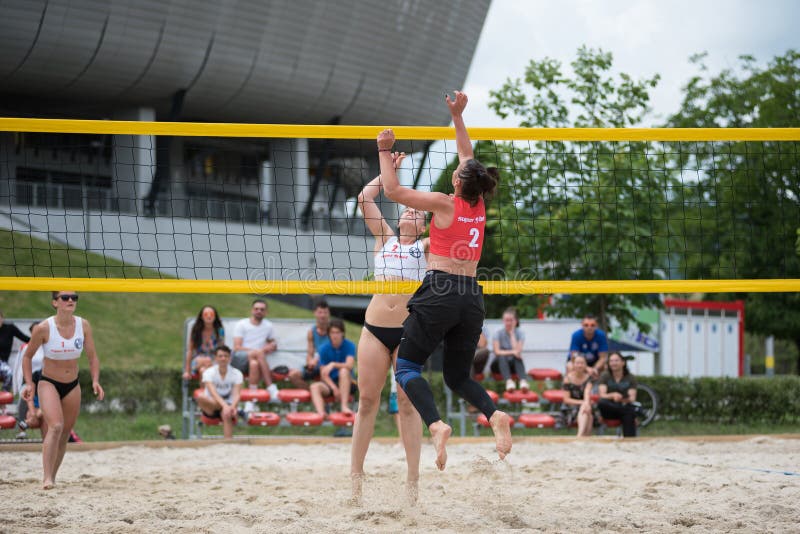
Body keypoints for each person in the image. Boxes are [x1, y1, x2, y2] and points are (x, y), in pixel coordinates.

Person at [378, 90, 511, 470]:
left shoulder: (444, 201)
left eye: (456, 170)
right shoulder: (477, 201)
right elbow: (468, 157)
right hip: (471, 297)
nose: (456, 167)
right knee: (456, 376)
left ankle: (436, 425)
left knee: (405, 368)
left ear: (457, 182)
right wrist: (457, 117)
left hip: (440, 289)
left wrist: (384, 151)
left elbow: (392, 191)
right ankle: (494, 414)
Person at [350, 152, 427, 504]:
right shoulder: (384, 238)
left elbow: (449, 216)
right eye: (408, 209)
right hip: (374, 330)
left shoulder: (427, 248)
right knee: (367, 401)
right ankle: (356, 476)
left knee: (409, 405)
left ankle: (413, 481)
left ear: (424, 225)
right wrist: (388, 173)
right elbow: (365, 198)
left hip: (409, 332)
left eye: (416, 212)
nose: (410, 212)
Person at [21, 291, 105, 489]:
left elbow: (92, 357)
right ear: (54, 302)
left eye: (74, 298)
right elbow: (27, 357)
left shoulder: (83, 325)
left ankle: (54, 476)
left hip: (72, 384)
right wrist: (29, 383)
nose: (70, 301)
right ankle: (47, 477)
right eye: (65, 298)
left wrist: (95, 381)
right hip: (48, 382)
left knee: (65, 432)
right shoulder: (44, 328)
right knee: (56, 426)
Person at [232, 299, 279, 407]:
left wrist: (272, 345)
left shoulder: (268, 326)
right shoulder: (242, 324)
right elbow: (237, 347)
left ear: (266, 312)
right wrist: (258, 351)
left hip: (255, 360)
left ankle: (251, 400)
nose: (259, 311)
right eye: (256, 309)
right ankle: (270, 386)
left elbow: (273, 342)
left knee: (254, 364)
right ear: (251, 310)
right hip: (239, 359)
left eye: (262, 309)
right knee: (258, 354)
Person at [309, 319, 356, 418]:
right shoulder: (323, 348)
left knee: (343, 371)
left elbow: (349, 365)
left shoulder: (350, 345)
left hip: (347, 382)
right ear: (329, 334)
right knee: (314, 387)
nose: (335, 335)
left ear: (342, 333)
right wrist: (334, 388)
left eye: (337, 332)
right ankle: (322, 413)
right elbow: (323, 374)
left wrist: (333, 364)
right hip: (330, 383)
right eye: (332, 332)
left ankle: (344, 406)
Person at [196, 345, 242, 439]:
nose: (223, 358)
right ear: (216, 358)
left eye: (225, 356)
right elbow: (212, 392)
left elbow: (237, 394)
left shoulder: (237, 373)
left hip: (228, 405)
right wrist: (225, 406)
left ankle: (228, 442)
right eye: (220, 356)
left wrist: (232, 407)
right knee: (201, 397)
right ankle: (230, 411)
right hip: (212, 405)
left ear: (230, 358)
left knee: (226, 414)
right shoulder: (208, 372)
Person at [288, 298, 330, 389]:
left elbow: (331, 351)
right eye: (320, 312)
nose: (322, 315)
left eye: (325, 312)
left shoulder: (334, 330)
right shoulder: (312, 331)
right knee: (293, 375)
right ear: (314, 313)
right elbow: (310, 352)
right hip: (316, 364)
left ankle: (319, 395)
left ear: (329, 314)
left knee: (324, 372)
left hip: (329, 364)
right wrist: (309, 363)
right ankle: (313, 394)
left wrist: (316, 360)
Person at [597, 351, 638, 437]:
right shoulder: (605, 375)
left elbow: (632, 398)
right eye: (611, 361)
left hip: (624, 406)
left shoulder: (630, 378)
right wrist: (613, 395)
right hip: (608, 409)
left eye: (616, 360)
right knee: (602, 402)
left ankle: (629, 441)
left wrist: (621, 399)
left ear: (623, 363)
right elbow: (602, 395)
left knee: (628, 413)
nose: (613, 363)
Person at [14, 320, 44, 439]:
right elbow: (18, 366)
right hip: (27, 380)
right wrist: (16, 386)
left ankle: (45, 431)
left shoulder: (46, 347)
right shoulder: (25, 347)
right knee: (23, 400)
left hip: (42, 380)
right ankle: (22, 429)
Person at [183, 305, 225, 380]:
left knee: (203, 371)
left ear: (215, 317)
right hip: (198, 359)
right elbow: (190, 350)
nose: (209, 316)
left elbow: (221, 349)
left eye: (211, 314)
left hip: (213, 359)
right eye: (206, 314)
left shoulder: (220, 330)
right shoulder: (196, 330)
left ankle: (205, 391)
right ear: (202, 317)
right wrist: (187, 371)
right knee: (205, 365)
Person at [492, 307, 529, 392]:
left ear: (515, 321)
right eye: (506, 320)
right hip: (498, 365)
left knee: (517, 357)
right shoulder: (497, 333)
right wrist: (513, 352)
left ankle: (523, 381)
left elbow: (518, 351)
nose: (508, 323)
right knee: (502, 356)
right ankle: (508, 382)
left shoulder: (520, 333)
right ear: (503, 321)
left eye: (511, 320)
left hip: (512, 365)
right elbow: (497, 352)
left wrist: (512, 334)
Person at [561, 354, 594, 437]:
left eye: (582, 363)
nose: (580, 365)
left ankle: (580, 436)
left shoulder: (589, 378)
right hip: (570, 407)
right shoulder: (567, 379)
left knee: (586, 410)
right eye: (577, 363)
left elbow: (587, 392)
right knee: (586, 410)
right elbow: (566, 399)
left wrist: (585, 403)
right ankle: (583, 436)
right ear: (573, 364)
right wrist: (583, 402)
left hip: (585, 405)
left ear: (586, 365)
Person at [567, 314, 608, 378]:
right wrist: (586, 368)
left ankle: (601, 385)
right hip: (579, 361)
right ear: (582, 326)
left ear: (596, 326)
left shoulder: (601, 335)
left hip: (595, 362)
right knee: (569, 366)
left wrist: (595, 369)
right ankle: (570, 385)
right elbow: (573, 357)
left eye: (592, 325)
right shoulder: (576, 335)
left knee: (605, 367)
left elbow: (603, 358)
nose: (589, 327)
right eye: (586, 325)